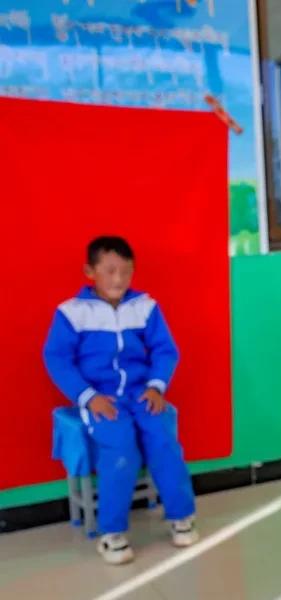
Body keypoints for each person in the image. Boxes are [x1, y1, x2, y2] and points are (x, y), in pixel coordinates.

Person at [43, 236, 199, 565]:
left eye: (126, 272)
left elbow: (165, 350)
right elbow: (56, 359)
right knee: (120, 448)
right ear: (90, 271)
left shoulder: (144, 307)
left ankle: (181, 515)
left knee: (163, 439)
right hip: (101, 399)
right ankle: (111, 532)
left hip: (141, 393)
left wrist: (156, 386)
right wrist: (87, 397)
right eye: (110, 270)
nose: (118, 279)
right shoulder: (73, 312)